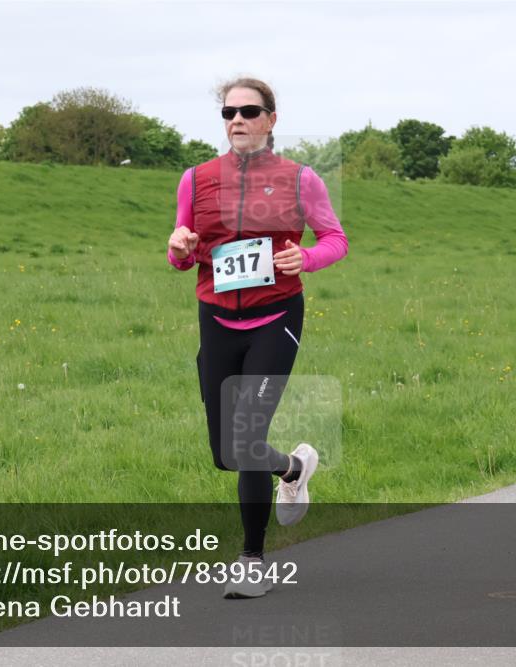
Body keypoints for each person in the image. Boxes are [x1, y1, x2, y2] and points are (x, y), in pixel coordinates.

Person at [167, 77, 348, 599]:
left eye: (249, 111)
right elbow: (181, 256)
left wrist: (305, 257)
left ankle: (251, 561)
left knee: (246, 442)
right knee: (225, 453)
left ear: (271, 119)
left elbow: (335, 239)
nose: (238, 120)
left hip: (275, 318)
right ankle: (294, 467)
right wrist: (179, 248)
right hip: (216, 321)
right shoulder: (195, 180)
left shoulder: (300, 179)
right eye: (229, 113)